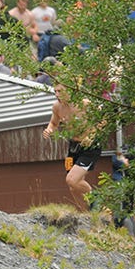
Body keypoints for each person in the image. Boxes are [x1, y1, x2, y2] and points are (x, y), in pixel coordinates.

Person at [43, 82, 100, 211]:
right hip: (73, 147)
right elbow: (53, 123)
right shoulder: (57, 107)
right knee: (73, 186)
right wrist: (49, 130)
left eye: (60, 91)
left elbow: (103, 119)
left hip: (89, 147)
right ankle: (85, 213)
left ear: (70, 90)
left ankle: (96, 199)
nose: (57, 94)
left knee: (72, 180)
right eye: (55, 91)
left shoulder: (85, 104)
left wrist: (91, 136)